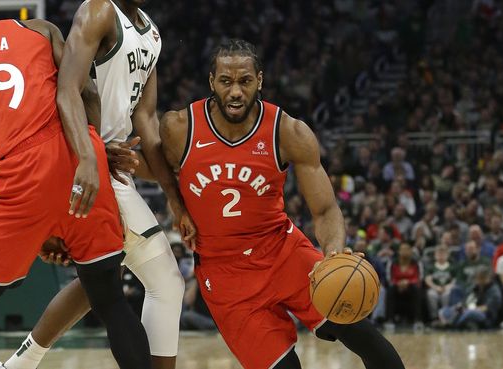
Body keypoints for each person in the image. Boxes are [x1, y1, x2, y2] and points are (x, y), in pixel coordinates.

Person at [0, 1, 150, 368]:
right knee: (109, 299)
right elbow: (85, 93)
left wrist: (36, 223)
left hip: (18, 176)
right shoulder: (39, 29)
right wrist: (93, 154)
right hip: (79, 162)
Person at [157, 39, 403, 369]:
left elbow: (326, 209)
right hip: (224, 273)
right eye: (226, 81)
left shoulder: (288, 132)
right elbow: (158, 167)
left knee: (362, 335)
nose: (235, 92)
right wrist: (174, 202)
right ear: (211, 82)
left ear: (259, 80)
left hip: (284, 252)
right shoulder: (179, 128)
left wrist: (332, 253)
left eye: (244, 81)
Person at [0, 1, 194, 369]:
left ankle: (17, 365)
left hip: (110, 165)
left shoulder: (151, 32)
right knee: (165, 281)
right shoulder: (99, 11)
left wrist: (172, 193)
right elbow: (66, 91)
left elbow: (145, 118)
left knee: (100, 279)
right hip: (82, 162)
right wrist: (91, 154)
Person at [385, 242, 424, 330]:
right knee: (390, 289)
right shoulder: (392, 262)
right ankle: (389, 320)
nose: (405, 251)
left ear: (411, 251)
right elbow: (389, 278)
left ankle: (418, 320)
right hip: (396, 286)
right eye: (402, 249)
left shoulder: (417, 262)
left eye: (407, 249)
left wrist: (408, 282)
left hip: (411, 286)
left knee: (417, 289)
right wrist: (398, 283)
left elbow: (419, 278)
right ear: (399, 251)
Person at [425, 245, 456, 323]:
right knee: (431, 294)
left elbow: (454, 280)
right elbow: (428, 280)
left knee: (446, 295)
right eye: (439, 254)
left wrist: (447, 287)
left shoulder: (452, 267)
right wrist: (436, 287)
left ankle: (446, 317)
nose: (441, 256)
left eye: (443, 254)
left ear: (447, 255)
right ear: (435, 255)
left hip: (447, 288)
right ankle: (434, 317)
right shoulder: (431, 267)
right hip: (435, 288)